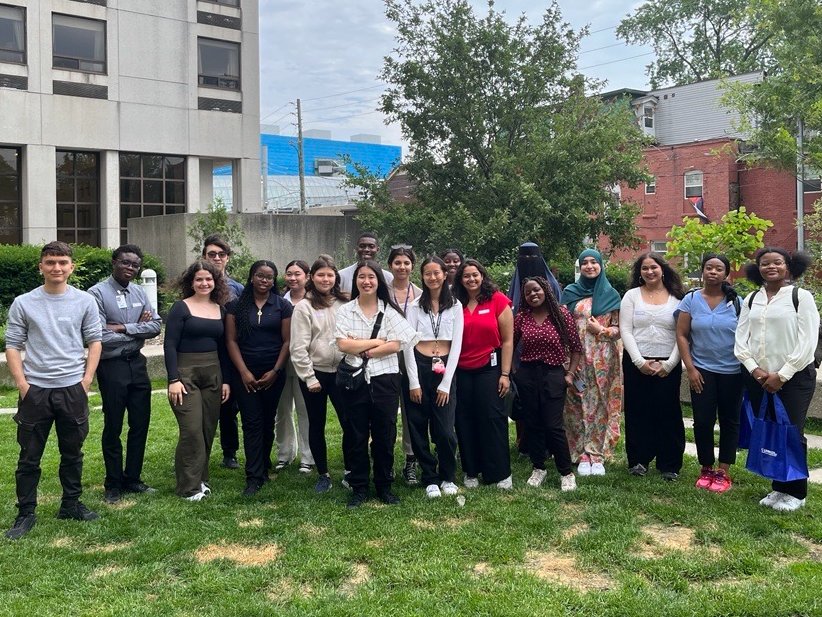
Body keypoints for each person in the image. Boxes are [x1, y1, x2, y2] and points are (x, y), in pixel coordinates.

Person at [4, 241, 102, 540]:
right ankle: (26, 513)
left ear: (71, 267)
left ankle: (71, 504)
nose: (56, 268)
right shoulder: (24, 302)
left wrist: (86, 380)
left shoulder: (85, 301)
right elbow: (13, 345)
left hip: (72, 388)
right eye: (50, 262)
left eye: (62, 262)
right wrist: (22, 384)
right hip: (36, 391)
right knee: (29, 457)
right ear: (41, 267)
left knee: (73, 453)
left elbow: (94, 341)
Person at [735, 248, 819, 512]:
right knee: (770, 429)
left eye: (777, 262)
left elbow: (808, 341)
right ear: (757, 268)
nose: (770, 267)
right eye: (765, 263)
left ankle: (796, 492)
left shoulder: (800, 297)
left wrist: (782, 375)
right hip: (759, 377)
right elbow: (741, 339)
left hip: (794, 378)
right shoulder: (752, 299)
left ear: (788, 266)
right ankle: (779, 487)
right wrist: (754, 369)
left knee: (791, 431)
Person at [334, 261, 420, 508]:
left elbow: (397, 344)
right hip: (355, 379)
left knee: (384, 434)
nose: (366, 281)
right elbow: (343, 344)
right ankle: (359, 487)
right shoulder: (346, 310)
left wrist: (363, 347)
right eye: (361, 277)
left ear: (379, 281)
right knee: (356, 434)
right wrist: (378, 341)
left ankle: (384, 485)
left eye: (371, 277)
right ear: (356, 281)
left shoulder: (390, 311)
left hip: (385, 379)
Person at [88, 244, 162, 504]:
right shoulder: (96, 293)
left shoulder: (139, 291)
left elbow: (155, 326)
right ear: (114, 262)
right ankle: (113, 483)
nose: (130, 268)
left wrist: (121, 327)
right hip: (112, 367)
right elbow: (100, 336)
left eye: (135, 265)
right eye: (126, 262)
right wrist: (137, 330)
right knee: (113, 425)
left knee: (140, 424)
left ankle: (133, 478)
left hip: (137, 365)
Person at [164, 260, 231, 501]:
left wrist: (226, 380)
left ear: (215, 282)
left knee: (207, 429)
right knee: (191, 430)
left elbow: (224, 348)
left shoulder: (220, 309)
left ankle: (200, 479)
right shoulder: (181, 308)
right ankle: (188, 488)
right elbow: (169, 344)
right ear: (191, 282)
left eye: (208, 279)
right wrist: (173, 379)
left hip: (213, 374)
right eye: (199, 279)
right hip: (185, 375)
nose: (204, 283)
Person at [676, 254, 743, 493]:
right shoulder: (691, 299)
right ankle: (706, 467)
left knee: (729, 420)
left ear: (726, 274)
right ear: (702, 271)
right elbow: (681, 334)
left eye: (719, 269)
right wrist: (691, 369)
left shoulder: (737, 302)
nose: (713, 272)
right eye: (709, 268)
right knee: (703, 420)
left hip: (733, 371)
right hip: (701, 371)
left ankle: (723, 470)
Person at [225, 261, 292, 496]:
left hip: (273, 372)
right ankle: (253, 476)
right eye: (260, 275)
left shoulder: (282, 305)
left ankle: (263, 465)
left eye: (269, 277)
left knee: (267, 420)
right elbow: (231, 340)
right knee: (251, 422)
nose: (264, 280)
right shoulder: (236, 305)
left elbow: (287, 341)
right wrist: (244, 372)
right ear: (252, 277)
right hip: (244, 373)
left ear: (274, 280)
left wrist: (275, 371)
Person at [620, 252, 685, 481]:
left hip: (668, 362)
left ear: (663, 269)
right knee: (638, 411)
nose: (649, 272)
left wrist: (670, 364)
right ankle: (639, 460)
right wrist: (639, 362)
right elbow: (626, 330)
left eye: (653, 267)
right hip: (637, 361)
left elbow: (682, 333)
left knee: (669, 412)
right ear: (639, 272)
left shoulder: (678, 298)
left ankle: (670, 464)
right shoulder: (631, 296)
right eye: (645, 268)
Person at [514, 276, 582, 491]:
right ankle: (538, 468)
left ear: (546, 289)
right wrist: (514, 371)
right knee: (532, 423)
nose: (532, 295)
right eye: (527, 292)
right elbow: (509, 344)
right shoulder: (522, 317)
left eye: (536, 290)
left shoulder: (561, 314)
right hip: (527, 374)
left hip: (553, 374)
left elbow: (576, 347)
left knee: (553, 426)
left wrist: (570, 374)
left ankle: (566, 472)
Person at [403, 256, 463, 498]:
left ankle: (448, 476)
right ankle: (429, 476)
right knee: (418, 426)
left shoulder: (455, 305)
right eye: (427, 273)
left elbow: (457, 345)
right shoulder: (415, 306)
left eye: (436, 272)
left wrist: (446, 383)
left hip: (445, 368)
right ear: (422, 276)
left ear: (445, 274)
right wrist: (413, 382)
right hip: (419, 365)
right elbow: (408, 344)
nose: (432, 277)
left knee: (445, 430)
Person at [290, 255, 350, 493]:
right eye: (320, 275)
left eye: (329, 275)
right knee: (316, 424)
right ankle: (323, 474)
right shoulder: (304, 307)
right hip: (316, 374)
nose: (325, 279)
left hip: (343, 372)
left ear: (336, 277)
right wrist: (309, 377)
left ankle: (350, 470)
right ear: (311, 278)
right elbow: (298, 347)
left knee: (349, 422)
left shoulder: (345, 303)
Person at [453, 258, 514, 489]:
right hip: (461, 370)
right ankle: (471, 471)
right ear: (460, 280)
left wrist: (505, 374)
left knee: (493, 419)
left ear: (482, 276)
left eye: (475, 274)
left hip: (490, 368)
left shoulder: (497, 300)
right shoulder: (455, 302)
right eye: (466, 276)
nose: (471, 279)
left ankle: (500, 472)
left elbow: (507, 341)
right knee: (464, 419)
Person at [561, 249, 622, 476]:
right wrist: (566, 359)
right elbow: (562, 326)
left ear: (600, 265)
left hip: (603, 358)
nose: (589, 266)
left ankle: (596, 453)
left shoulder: (611, 294)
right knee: (575, 403)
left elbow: (619, 329)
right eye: (584, 263)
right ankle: (579, 452)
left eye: (593, 262)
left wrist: (602, 330)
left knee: (600, 404)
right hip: (576, 357)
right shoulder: (570, 293)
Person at [202, 234, 243, 470]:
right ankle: (200, 452)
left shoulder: (237, 289)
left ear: (227, 258)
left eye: (221, 254)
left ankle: (230, 453)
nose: (217, 258)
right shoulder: (196, 284)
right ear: (204, 256)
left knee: (229, 406)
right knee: (201, 407)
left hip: (230, 352)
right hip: (203, 350)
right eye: (212, 254)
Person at [388, 244, 423, 485]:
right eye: (397, 263)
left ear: (412, 266)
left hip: (413, 359)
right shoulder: (382, 292)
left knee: (411, 412)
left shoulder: (420, 294)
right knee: (386, 412)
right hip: (386, 357)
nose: (402, 267)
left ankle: (411, 460)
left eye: (406, 263)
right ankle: (385, 460)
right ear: (390, 265)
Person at [275, 259, 314, 473]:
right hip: (281, 362)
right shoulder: (279, 301)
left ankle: (308, 456)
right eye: (289, 274)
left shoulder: (314, 301)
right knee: (282, 411)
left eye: (297, 274)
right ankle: (285, 454)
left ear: (307, 276)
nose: (292, 278)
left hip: (306, 362)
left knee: (304, 410)